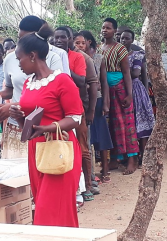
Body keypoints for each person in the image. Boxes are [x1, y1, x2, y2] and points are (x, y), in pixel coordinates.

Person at [9, 24, 83, 227]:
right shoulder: (28, 83)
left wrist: (48, 129)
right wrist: (18, 116)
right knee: (42, 203)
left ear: (33, 56)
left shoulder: (62, 81)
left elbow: (76, 118)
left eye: (19, 59)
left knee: (51, 210)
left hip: (59, 149)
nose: (18, 64)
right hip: (37, 150)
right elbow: (30, 125)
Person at [0, 15, 63, 159]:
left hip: (42, 125)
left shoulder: (53, 58)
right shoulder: (10, 59)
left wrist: (13, 108)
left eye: (25, 38)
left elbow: (51, 97)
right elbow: (10, 90)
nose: (21, 43)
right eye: (19, 38)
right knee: (14, 177)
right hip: (16, 125)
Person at [55, 26, 98, 200]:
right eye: (56, 37)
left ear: (70, 39)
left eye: (62, 37)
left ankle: (88, 185)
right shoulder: (50, 56)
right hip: (58, 108)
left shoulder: (79, 57)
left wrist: (63, 67)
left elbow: (82, 81)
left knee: (82, 147)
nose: (58, 41)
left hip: (77, 108)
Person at [101, 18, 139, 175]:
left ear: (115, 31)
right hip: (106, 91)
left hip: (120, 89)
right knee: (112, 126)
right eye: (103, 27)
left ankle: (132, 159)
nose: (105, 30)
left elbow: (126, 73)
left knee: (127, 124)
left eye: (108, 28)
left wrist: (129, 94)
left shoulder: (120, 48)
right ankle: (115, 159)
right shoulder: (99, 48)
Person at [79, 30, 113, 182]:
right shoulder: (74, 58)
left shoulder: (99, 58)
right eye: (77, 42)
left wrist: (106, 102)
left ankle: (105, 168)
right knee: (87, 136)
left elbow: (104, 82)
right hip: (82, 101)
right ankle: (89, 172)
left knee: (101, 134)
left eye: (82, 42)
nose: (80, 45)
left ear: (89, 42)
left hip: (97, 100)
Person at [121, 29, 155, 165]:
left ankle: (144, 156)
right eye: (122, 38)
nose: (123, 41)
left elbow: (136, 73)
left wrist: (121, 68)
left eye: (127, 38)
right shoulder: (117, 55)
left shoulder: (137, 55)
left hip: (135, 90)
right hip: (120, 89)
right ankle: (130, 155)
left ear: (132, 40)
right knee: (127, 123)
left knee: (140, 124)